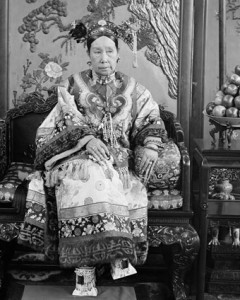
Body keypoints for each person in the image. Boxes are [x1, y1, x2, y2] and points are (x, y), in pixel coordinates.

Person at [18, 19, 170, 296]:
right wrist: (86, 139)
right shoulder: (72, 86)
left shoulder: (134, 89)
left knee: (114, 175)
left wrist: (149, 145)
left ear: (118, 54)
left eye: (109, 51)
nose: (103, 58)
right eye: (97, 51)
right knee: (86, 178)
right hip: (76, 155)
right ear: (88, 54)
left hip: (119, 158)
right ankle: (86, 270)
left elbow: (151, 121)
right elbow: (53, 127)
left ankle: (113, 256)